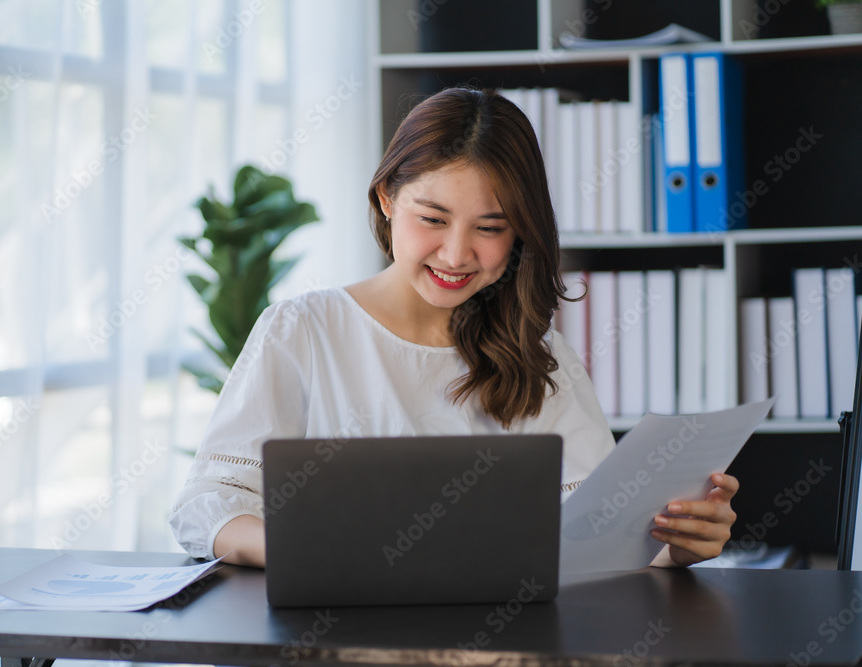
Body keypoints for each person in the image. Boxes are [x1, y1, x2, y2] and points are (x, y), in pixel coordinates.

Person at [169, 86, 738, 570]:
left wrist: (678, 543)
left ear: (520, 232)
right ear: (386, 199)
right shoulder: (303, 331)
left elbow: (592, 529)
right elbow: (205, 505)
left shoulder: (539, 356)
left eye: (490, 227)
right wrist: (317, 552)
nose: (456, 253)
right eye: (433, 219)